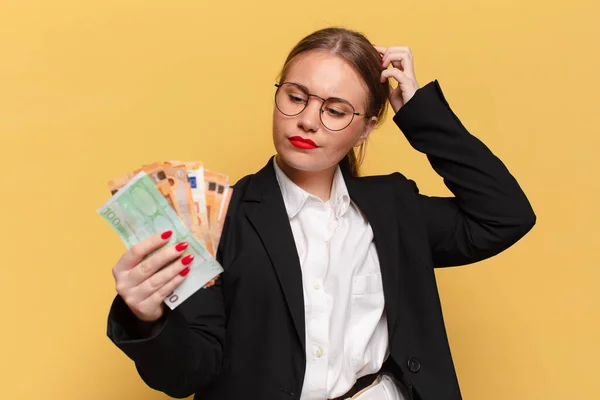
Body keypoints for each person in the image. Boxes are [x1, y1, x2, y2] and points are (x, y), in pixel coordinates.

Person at [106, 27, 536, 400]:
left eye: (335, 110)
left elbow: (504, 216)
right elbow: (187, 375)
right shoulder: (218, 217)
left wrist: (420, 113)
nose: (308, 120)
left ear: (367, 126)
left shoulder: (394, 208)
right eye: (296, 97)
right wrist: (149, 319)